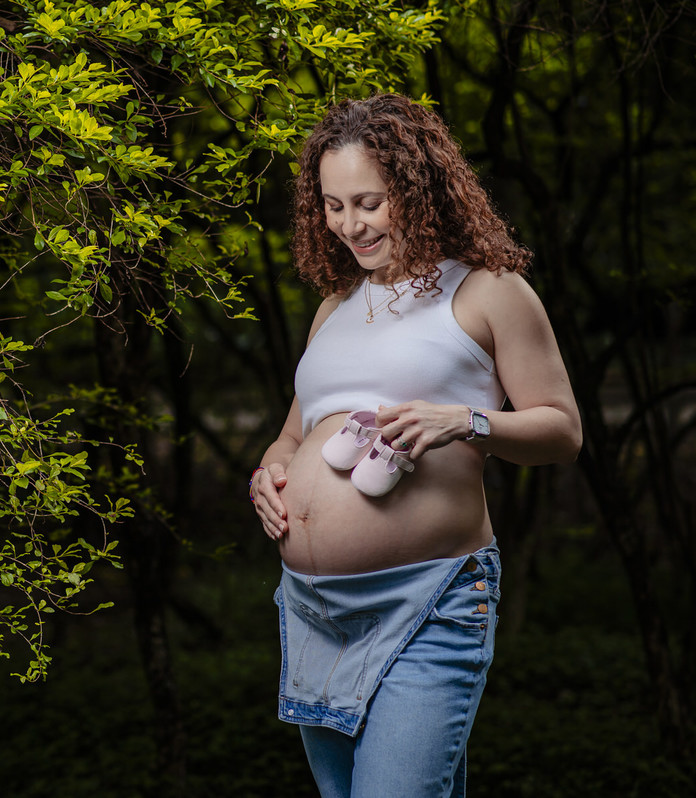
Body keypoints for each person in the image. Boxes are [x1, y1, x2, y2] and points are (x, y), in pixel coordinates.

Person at [249, 94, 581, 797]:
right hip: (315, 610)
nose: (350, 225)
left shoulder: (489, 292)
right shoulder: (334, 308)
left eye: (369, 202)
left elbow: (561, 429)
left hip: (429, 599)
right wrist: (270, 475)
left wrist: (464, 421)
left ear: (417, 189)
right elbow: (293, 436)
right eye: (333, 206)